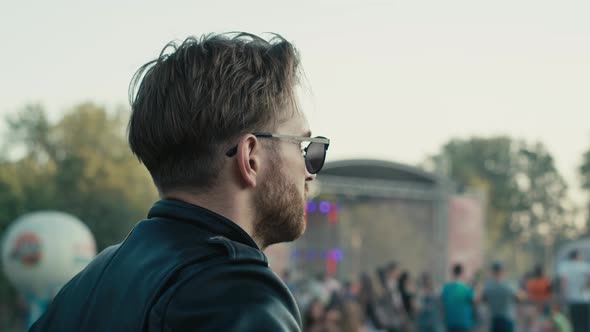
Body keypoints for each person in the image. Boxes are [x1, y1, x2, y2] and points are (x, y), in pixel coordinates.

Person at [30, 32, 330, 331]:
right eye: (302, 146)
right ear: (251, 158)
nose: (310, 172)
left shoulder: (90, 282)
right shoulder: (238, 297)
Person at [482, 261, 522, 332]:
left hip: (494, 320)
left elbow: (483, 299)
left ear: (493, 272)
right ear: (503, 271)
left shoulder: (488, 286)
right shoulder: (509, 285)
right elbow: (519, 298)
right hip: (507, 319)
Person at [556, 249, 590, 332]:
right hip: (584, 299)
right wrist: (585, 287)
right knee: (585, 324)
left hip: (571, 299)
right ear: (578, 256)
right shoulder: (585, 266)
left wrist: (563, 295)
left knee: (573, 324)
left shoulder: (565, 266)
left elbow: (563, 283)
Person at [440, 263, 476, 332]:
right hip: (463, 323)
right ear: (462, 273)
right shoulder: (466, 288)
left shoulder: (445, 288)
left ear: (453, 273)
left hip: (450, 322)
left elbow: (442, 306)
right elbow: (474, 302)